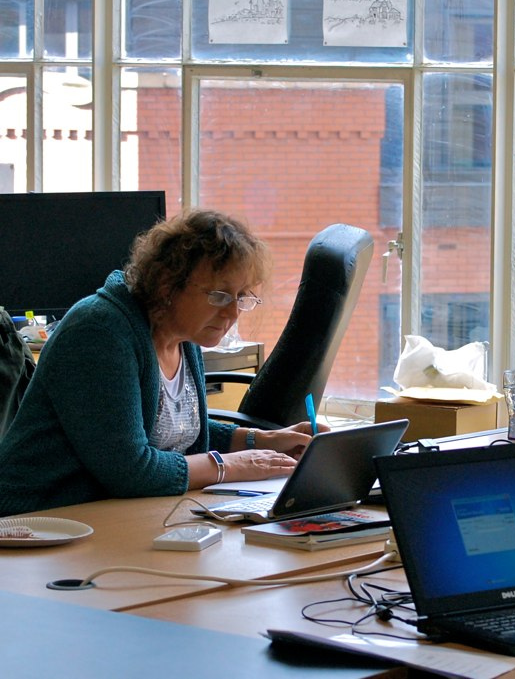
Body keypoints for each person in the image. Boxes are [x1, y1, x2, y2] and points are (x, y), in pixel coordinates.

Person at [0, 209, 319, 516]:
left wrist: (262, 440)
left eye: (242, 297)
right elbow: (130, 470)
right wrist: (231, 465)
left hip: (112, 517)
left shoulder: (181, 333)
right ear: (168, 285)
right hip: (39, 522)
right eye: (220, 295)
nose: (233, 313)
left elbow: (170, 429)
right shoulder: (100, 332)